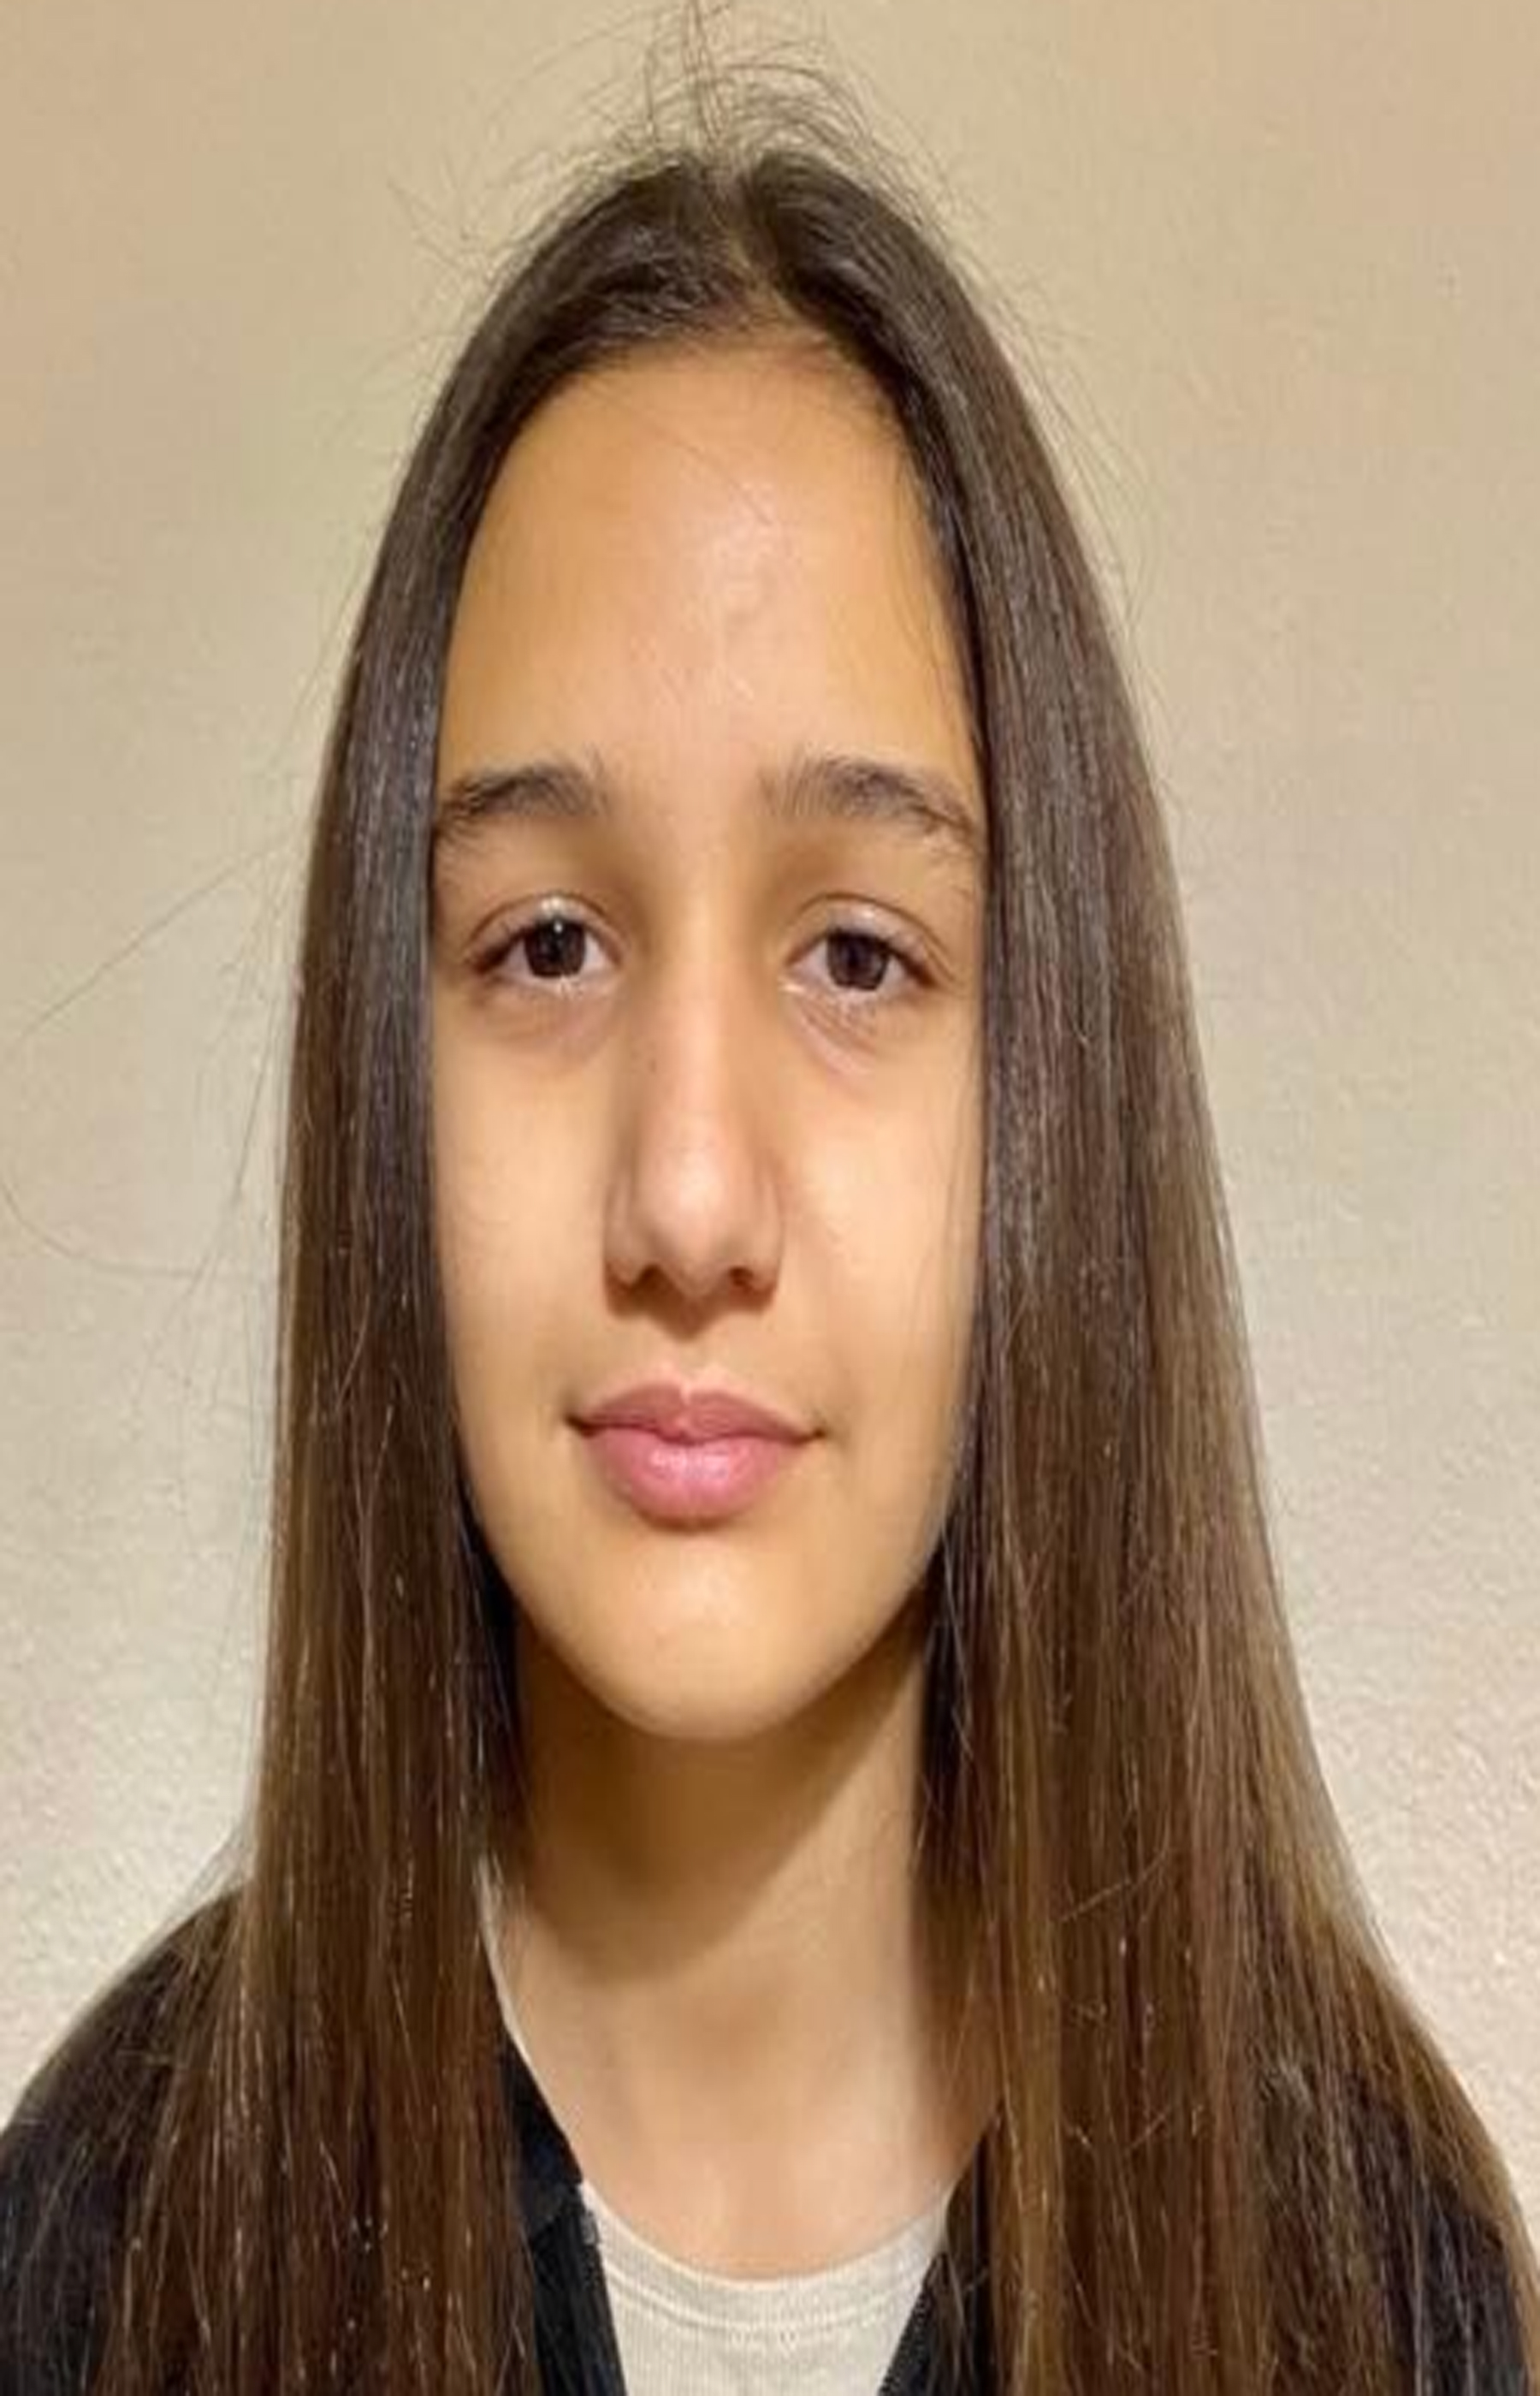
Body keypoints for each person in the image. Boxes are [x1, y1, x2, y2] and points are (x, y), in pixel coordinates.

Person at [2, 25, 1535, 2396]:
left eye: (859, 957)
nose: (689, 1193)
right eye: (546, 945)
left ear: (1050, 1088)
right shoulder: (107, 2256)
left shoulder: (1362, 2275)